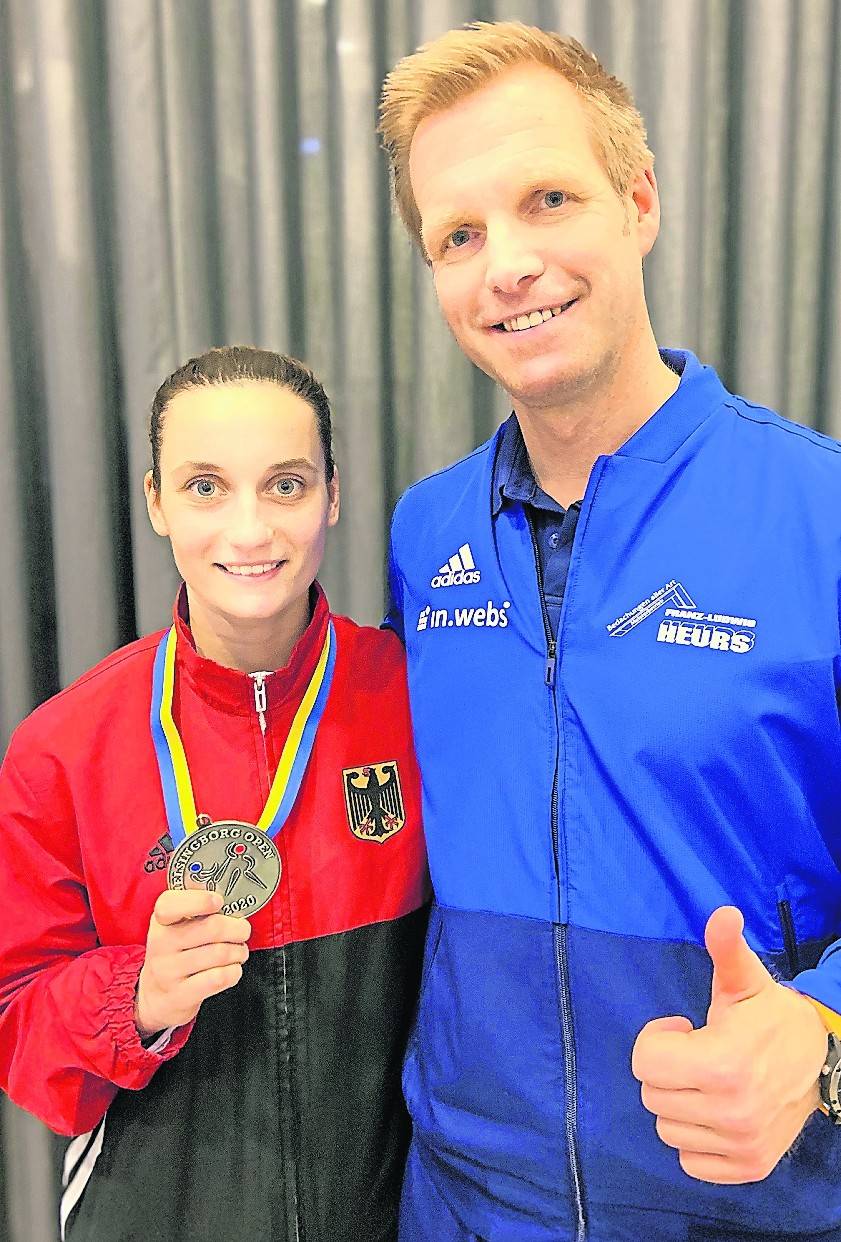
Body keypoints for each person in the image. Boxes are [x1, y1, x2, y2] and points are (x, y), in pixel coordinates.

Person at [378, 20, 841, 1242]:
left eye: (548, 199)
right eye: (459, 235)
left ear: (638, 203)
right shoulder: (425, 532)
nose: (508, 265)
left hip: (755, 1211)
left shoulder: (821, 514)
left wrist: (821, 1033)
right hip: (465, 1208)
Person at [0, 346, 429, 1242]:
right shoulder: (61, 750)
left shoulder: (413, 699)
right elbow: (19, 1032)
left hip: (390, 1216)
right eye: (206, 487)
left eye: (285, 485)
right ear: (156, 501)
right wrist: (138, 997)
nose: (249, 531)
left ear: (332, 496)